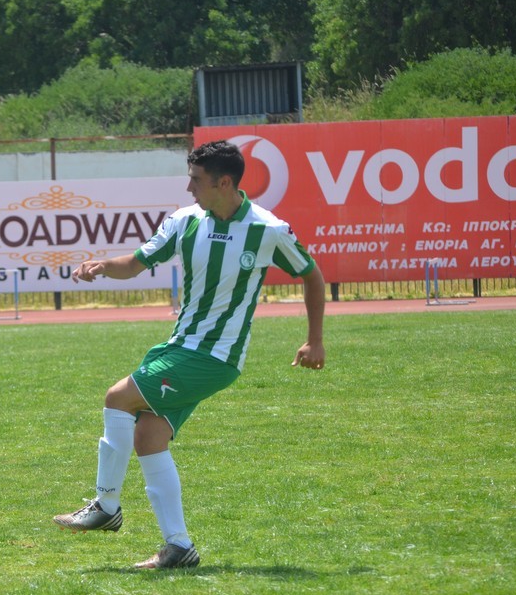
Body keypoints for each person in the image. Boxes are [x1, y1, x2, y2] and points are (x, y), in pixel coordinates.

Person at [53, 140, 326, 569]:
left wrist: (315, 340)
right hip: (180, 346)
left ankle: (105, 506)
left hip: (215, 357)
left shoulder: (267, 229)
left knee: (117, 398)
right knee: (149, 437)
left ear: (224, 182)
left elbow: (312, 276)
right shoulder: (184, 221)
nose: (188, 187)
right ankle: (178, 546)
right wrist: (103, 265)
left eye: (196, 180)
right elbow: (137, 262)